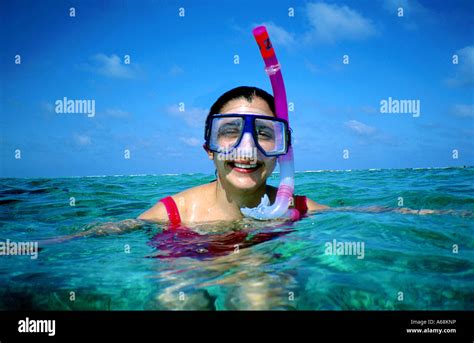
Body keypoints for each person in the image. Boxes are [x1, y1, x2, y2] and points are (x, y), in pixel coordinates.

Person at [138, 86, 327, 226]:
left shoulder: (303, 210)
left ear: (282, 151)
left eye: (263, 133)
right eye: (230, 131)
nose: (247, 149)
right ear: (209, 149)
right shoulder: (168, 216)